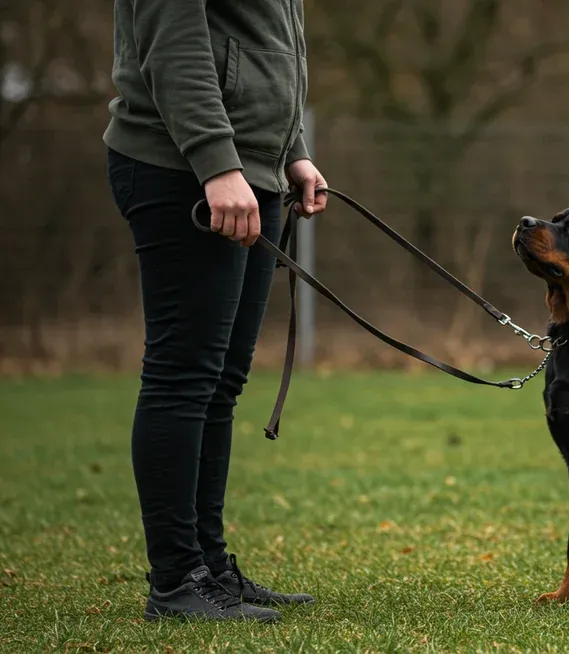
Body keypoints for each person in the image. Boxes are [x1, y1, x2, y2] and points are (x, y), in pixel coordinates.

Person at [103, 0, 328, 623]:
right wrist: (216, 160)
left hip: (252, 169)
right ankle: (177, 580)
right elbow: (174, 44)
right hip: (184, 167)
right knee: (183, 377)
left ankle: (210, 568)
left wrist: (292, 148)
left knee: (220, 383)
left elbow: (266, 41)